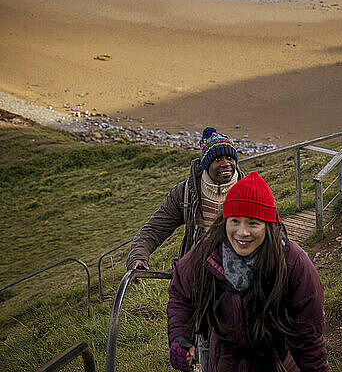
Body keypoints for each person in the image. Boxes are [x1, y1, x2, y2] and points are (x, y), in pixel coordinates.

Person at [167, 171, 330, 372]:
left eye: (253, 223)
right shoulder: (209, 251)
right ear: (225, 221)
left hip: (277, 364)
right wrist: (181, 337)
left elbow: (309, 339)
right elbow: (181, 292)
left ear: (268, 225)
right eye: (235, 220)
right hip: (224, 364)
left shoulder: (293, 263)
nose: (242, 232)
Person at [126, 127, 244, 272]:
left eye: (230, 158)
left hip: (240, 274)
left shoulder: (249, 190)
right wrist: (138, 255)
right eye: (218, 159)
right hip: (196, 277)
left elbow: (270, 230)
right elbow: (155, 228)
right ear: (206, 164)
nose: (226, 163)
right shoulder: (185, 192)